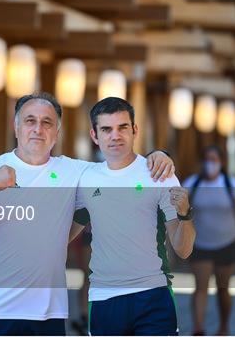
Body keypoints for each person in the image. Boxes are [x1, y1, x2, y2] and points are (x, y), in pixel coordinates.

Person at [0, 92, 175, 335]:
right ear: (16, 128)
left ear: (57, 132)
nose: (38, 128)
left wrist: (158, 155)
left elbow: (121, 167)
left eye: (47, 122)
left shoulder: (76, 172)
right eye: (30, 121)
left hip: (50, 314)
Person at [69, 97, 196, 335]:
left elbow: (184, 249)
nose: (115, 136)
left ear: (135, 130)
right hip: (104, 298)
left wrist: (185, 214)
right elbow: (62, 236)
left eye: (122, 127)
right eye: (106, 129)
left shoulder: (160, 174)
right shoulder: (85, 179)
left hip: (153, 296)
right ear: (94, 136)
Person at [182, 145, 235, 336]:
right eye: (207, 159)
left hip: (227, 242)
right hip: (200, 243)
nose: (210, 163)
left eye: (214, 159)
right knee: (200, 287)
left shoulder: (231, 183)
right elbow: (181, 210)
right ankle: (198, 329)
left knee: (223, 289)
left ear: (221, 162)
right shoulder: (192, 183)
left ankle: (223, 327)